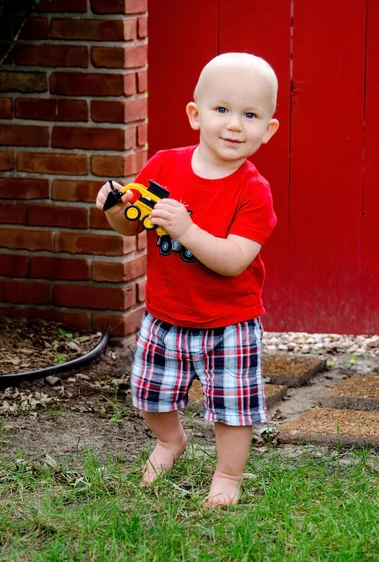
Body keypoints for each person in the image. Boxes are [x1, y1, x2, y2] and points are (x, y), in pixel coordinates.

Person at [95, 52, 279, 506]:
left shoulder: (253, 191)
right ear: (195, 115)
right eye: (222, 110)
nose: (235, 124)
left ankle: (228, 475)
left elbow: (235, 259)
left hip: (229, 322)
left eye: (250, 115)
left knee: (233, 409)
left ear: (268, 130)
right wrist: (114, 208)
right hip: (166, 315)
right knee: (150, 395)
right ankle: (170, 442)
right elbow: (130, 225)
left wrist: (187, 230)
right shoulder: (163, 167)